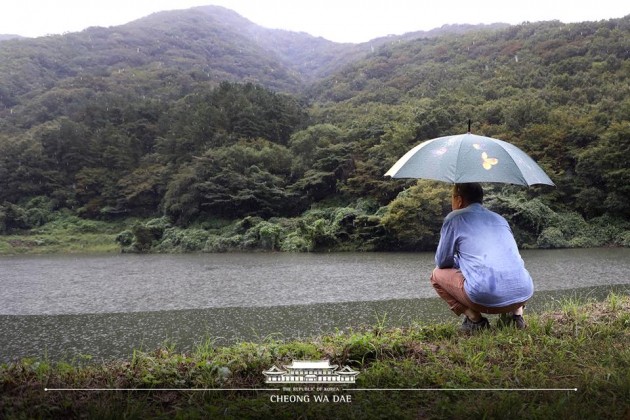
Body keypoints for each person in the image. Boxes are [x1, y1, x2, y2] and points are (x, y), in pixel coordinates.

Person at [430, 183, 533, 331]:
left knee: (436, 275)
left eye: (452, 197)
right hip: (523, 292)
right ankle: (515, 316)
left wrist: (460, 262)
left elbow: (442, 262)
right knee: (510, 266)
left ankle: (475, 320)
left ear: (459, 199)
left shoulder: (454, 218)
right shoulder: (500, 219)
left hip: (485, 299)